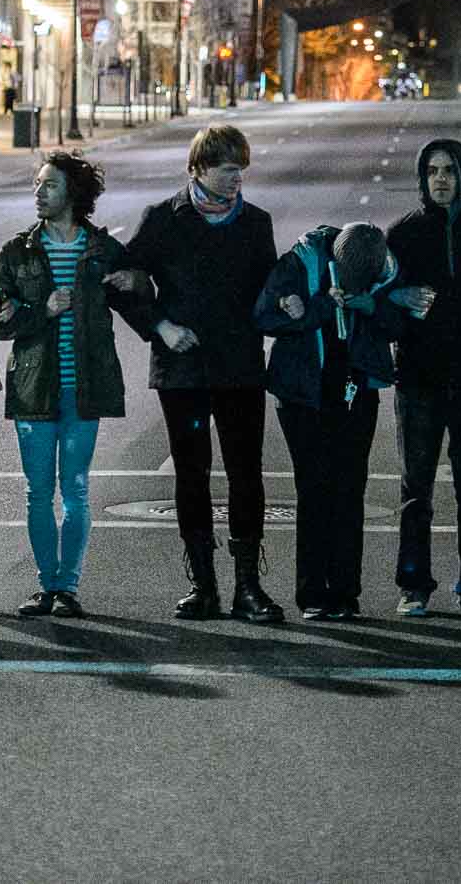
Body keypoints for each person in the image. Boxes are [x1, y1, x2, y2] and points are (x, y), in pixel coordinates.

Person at [116, 125, 284, 622]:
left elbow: (267, 290)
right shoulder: (164, 220)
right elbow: (119, 281)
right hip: (183, 370)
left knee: (245, 474)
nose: (236, 178)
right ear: (199, 168)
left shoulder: (256, 222)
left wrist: (285, 302)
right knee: (192, 475)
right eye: (227, 169)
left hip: (240, 368)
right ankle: (204, 586)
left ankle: (248, 588)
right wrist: (159, 325)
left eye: (240, 169)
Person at [0, 156, 131, 618]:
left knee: (77, 489)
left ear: (74, 193)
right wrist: (38, 311)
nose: (39, 192)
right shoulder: (16, 253)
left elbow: (139, 298)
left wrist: (136, 282)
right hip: (34, 388)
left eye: (49, 185)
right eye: (37, 184)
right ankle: (46, 585)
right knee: (38, 491)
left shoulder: (101, 249)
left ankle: (68, 587)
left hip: (84, 389)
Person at [383, 139, 461, 618]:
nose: (441, 180)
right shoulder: (403, 234)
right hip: (418, 379)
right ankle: (414, 585)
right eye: (433, 171)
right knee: (416, 490)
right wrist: (398, 298)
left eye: (450, 171)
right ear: (422, 178)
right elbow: (381, 297)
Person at [257, 221, 406, 619]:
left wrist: (371, 305)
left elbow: (401, 324)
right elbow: (264, 316)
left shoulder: (384, 265)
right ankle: (312, 594)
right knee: (314, 489)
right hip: (303, 394)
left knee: (350, 490)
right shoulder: (301, 261)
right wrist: (324, 305)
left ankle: (345, 593)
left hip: (357, 393)